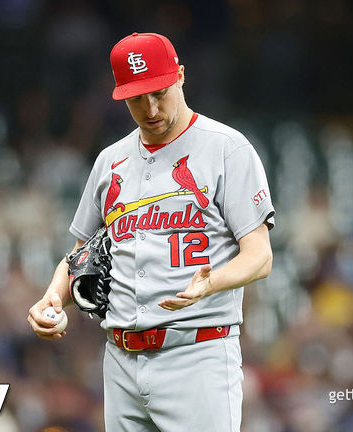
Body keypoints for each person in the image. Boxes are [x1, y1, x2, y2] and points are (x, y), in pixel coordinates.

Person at [28, 32, 275, 431]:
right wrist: (53, 297)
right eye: (136, 98)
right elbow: (80, 257)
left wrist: (212, 284)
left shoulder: (227, 149)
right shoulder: (110, 161)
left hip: (197, 354)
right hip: (120, 360)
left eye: (159, 92)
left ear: (180, 76)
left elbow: (260, 256)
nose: (151, 108)